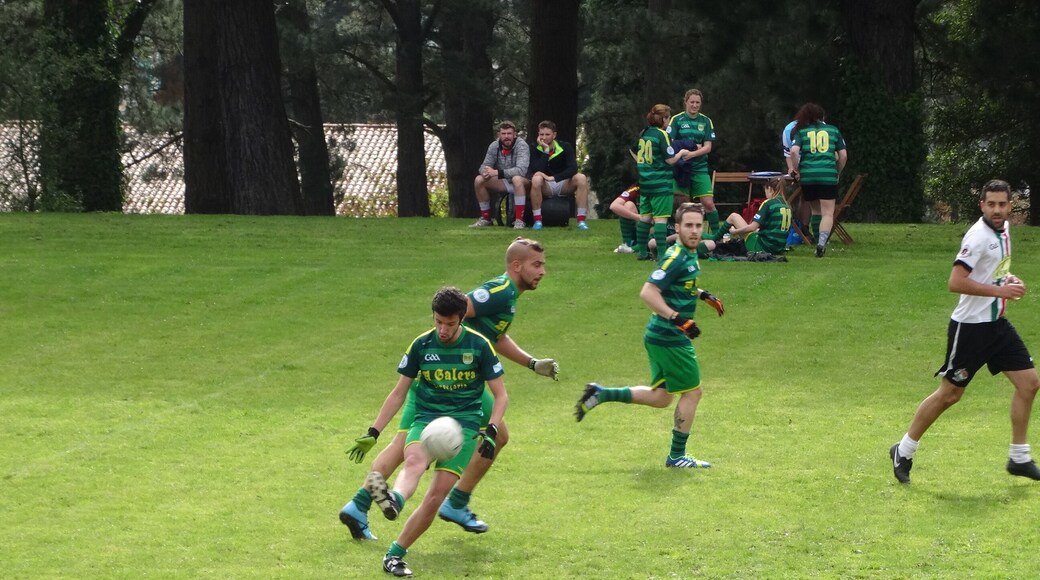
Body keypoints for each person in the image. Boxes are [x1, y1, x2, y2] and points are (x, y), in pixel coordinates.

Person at [340, 238, 557, 541]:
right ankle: (456, 502)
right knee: (497, 436)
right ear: (517, 265)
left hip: (433, 377)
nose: (542, 271)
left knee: (405, 444)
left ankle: (359, 504)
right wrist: (453, 342)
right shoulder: (500, 291)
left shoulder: (508, 297)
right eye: (537, 264)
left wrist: (531, 363)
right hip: (458, 379)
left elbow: (496, 338)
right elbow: (456, 312)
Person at [349, 287, 508, 577]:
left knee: (436, 495)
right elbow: (399, 393)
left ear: (461, 319)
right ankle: (393, 500)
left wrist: (492, 429)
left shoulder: (479, 345)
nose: (443, 329)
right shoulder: (422, 345)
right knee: (413, 462)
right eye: (438, 322)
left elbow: (500, 395)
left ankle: (394, 555)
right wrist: (373, 431)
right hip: (426, 418)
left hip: (464, 427)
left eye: (449, 324)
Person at [890, 180, 1040, 485]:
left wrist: (1008, 279)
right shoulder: (978, 237)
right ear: (982, 206)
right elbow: (956, 281)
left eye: (1002, 204)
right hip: (970, 329)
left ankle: (1019, 457)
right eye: (991, 204)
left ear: (1011, 206)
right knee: (950, 395)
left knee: (1029, 383)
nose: (997, 210)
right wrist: (999, 293)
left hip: (997, 326)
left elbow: (995, 270)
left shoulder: (1004, 230)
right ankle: (903, 450)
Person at [575, 202, 725, 468]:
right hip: (670, 337)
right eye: (688, 226)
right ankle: (677, 457)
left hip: (660, 336)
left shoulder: (689, 254)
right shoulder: (675, 256)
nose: (694, 231)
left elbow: (679, 283)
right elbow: (648, 292)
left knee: (662, 398)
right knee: (693, 393)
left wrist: (702, 295)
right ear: (676, 228)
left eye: (698, 226)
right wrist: (679, 319)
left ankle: (601, 393)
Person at [631, 104, 697, 261]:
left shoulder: (644, 133)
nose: (668, 122)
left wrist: (644, 164)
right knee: (661, 218)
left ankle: (642, 253)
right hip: (661, 183)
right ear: (663, 118)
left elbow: (633, 150)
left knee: (645, 218)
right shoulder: (662, 135)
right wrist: (681, 152)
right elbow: (670, 160)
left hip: (645, 183)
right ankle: (661, 255)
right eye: (667, 118)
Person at [788, 103, 847, 257]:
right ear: (822, 116)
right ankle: (821, 243)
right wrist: (837, 171)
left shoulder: (801, 132)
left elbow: (793, 151)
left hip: (808, 176)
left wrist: (796, 169)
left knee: (815, 210)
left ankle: (815, 240)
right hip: (827, 174)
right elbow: (843, 156)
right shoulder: (833, 130)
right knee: (827, 213)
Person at [701, 175, 792, 256]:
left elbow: (752, 227)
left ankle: (714, 238)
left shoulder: (769, 203)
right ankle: (715, 238)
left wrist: (735, 232)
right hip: (778, 248)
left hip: (762, 247)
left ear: (770, 189)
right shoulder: (787, 206)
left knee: (734, 216)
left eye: (765, 190)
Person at [668, 89, 718, 233]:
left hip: (700, 167)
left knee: (708, 203)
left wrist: (692, 153)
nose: (695, 105)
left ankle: (717, 237)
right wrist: (687, 147)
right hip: (681, 167)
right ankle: (677, 234)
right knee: (679, 204)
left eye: (697, 102)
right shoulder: (677, 120)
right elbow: (671, 144)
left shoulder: (706, 121)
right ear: (686, 102)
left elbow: (708, 147)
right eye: (692, 102)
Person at [527, 120, 590, 231]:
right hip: (545, 186)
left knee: (581, 178)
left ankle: (581, 220)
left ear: (554, 135)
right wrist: (545, 151)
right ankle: (537, 220)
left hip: (563, 183)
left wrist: (554, 177)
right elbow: (536, 170)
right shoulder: (533, 148)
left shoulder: (565, 146)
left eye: (547, 134)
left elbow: (573, 168)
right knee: (536, 179)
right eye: (541, 134)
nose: (544, 137)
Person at [471, 121, 531, 229]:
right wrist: (485, 173)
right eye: (503, 134)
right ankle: (486, 218)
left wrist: (497, 172)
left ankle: (519, 221)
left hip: (525, 182)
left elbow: (521, 170)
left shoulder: (522, 145)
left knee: (517, 179)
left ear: (515, 135)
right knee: (479, 180)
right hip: (505, 181)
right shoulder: (494, 146)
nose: (506, 136)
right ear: (499, 135)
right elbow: (484, 165)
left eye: (509, 133)